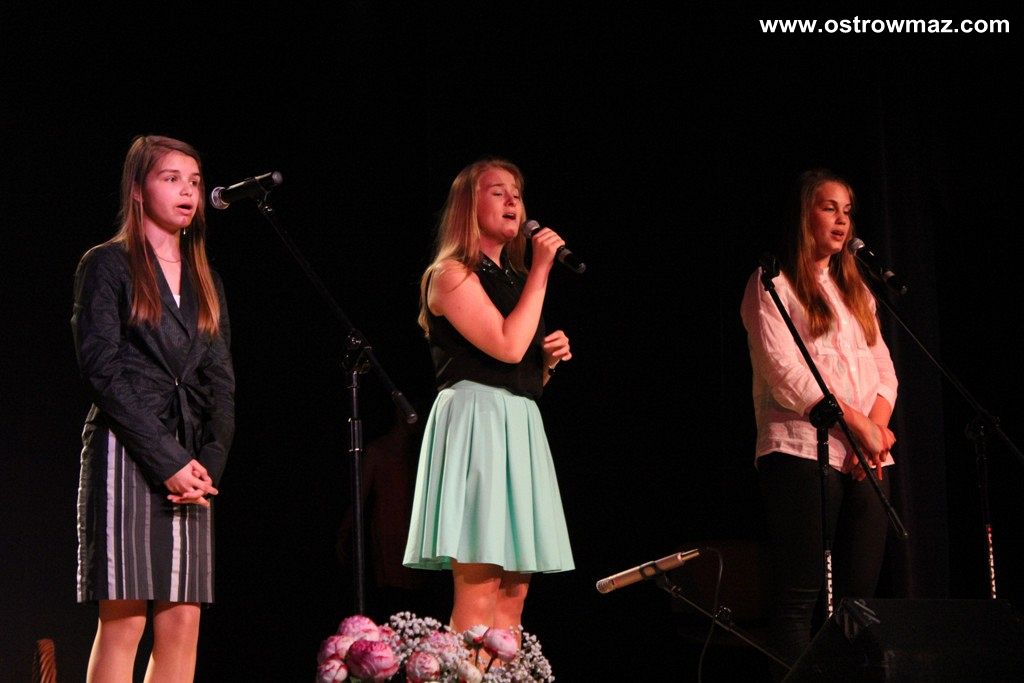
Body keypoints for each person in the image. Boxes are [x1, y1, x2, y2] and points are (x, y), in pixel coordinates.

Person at [71, 135, 235, 682]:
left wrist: (209, 463)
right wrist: (167, 460)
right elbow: (102, 371)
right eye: (171, 179)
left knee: (183, 621)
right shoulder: (108, 265)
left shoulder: (206, 279)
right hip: (129, 451)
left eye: (194, 181)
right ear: (139, 190)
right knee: (126, 620)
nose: (187, 191)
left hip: (190, 464)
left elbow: (221, 382)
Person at [403, 158, 575, 636]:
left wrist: (547, 363)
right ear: (468, 206)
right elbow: (506, 345)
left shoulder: (515, 281)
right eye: (498, 192)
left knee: (513, 599)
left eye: (517, 193)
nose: (513, 200)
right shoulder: (450, 275)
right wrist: (543, 269)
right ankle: (462, 668)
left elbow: (518, 369)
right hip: (477, 421)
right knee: (480, 591)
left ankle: (505, 670)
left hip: (519, 421)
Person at [740, 169, 898, 671]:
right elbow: (787, 375)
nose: (842, 220)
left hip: (866, 456)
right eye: (830, 208)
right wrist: (859, 427)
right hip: (800, 450)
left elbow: (885, 372)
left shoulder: (856, 290)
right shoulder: (772, 283)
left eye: (847, 211)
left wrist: (874, 431)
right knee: (801, 594)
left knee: (860, 603)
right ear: (804, 214)